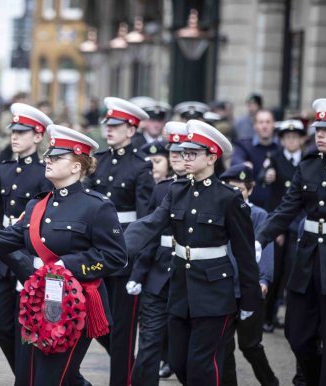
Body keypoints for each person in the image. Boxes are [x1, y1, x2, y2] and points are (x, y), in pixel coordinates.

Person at [0, 124, 128, 386]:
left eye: (57, 157)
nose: (48, 159)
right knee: (28, 376)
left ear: (76, 166)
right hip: (39, 300)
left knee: (51, 377)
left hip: (76, 301)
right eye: (49, 154)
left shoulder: (97, 206)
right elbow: (8, 237)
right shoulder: (37, 205)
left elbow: (115, 257)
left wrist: (67, 264)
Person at [124, 119, 261, 386]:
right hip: (180, 290)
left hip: (214, 293)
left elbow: (245, 256)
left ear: (212, 157)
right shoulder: (176, 190)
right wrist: (115, 246)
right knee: (178, 361)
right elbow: (150, 224)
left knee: (202, 365)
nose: (184, 157)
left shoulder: (228, 198)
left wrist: (249, 300)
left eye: (192, 153)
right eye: (184, 152)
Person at [256, 98, 326, 386]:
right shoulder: (309, 166)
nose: (320, 135)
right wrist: (260, 238)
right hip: (307, 259)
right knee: (297, 333)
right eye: (318, 130)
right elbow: (287, 208)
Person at [83, 96, 154, 386]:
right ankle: (134, 372)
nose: (109, 130)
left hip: (126, 253)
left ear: (131, 130)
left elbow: (145, 220)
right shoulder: (98, 161)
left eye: (116, 126)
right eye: (108, 125)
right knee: (99, 322)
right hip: (97, 251)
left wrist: (137, 264)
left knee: (123, 331)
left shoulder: (140, 166)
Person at [0, 103, 53, 374]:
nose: (14, 137)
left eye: (22, 132)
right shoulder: (6, 169)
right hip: (6, 252)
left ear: (37, 137)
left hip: (30, 252)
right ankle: (26, 374)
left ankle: (29, 377)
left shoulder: (44, 171)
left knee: (27, 328)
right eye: (13, 131)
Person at [127, 121, 189, 386]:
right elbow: (150, 235)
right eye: (172, 151)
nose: (175, 155)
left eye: (181, 150)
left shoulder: (214, 192)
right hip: (157, 278)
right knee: (148, 348)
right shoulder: (162, 189)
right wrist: (139, 274)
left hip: (191, 280)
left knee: (183, 354)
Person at [219, 164, 279, 386]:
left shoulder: (258, 215)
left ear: (250, 190)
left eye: (239, 189)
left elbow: (265, 248)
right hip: (224, 288)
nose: (235, 194)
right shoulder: (219, 211)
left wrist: (264, 278)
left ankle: (270, 381)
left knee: (250, 345)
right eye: (230, 189)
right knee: (224, 347)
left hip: (248, 289)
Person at [260, 119, 307, 333]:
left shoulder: (307, 161)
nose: (291, 141)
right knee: (275, 270)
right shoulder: (276, 159)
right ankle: (266, 315)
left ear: (301, 140)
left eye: (295, 137)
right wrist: (267, 176)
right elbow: (265, 177)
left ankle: (278, 311)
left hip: (299, 224)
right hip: (280, 221)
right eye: (287, 137)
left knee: (290, 269)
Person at [231, 109, 280, 207]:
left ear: (274, 124)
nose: (264, 126)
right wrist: (244, 165)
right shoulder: (245, 145)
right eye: (261, 122)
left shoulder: (281, 148)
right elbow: (235, 160)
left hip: (277, 206)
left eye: (268, 122)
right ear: (255, 126)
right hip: (252, 205)